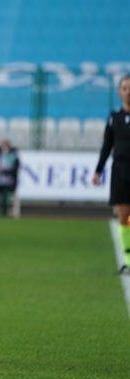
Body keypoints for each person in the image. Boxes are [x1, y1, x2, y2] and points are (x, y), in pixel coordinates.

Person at [93, 74, 130, 273]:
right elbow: (107, 146)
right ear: (119, 92)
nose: (128, 91)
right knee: (123, 217)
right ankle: (128, 259)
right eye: (125, 88)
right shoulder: (114, 118)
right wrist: (98, 171)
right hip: (121, 172)